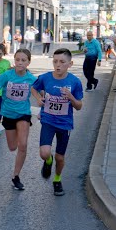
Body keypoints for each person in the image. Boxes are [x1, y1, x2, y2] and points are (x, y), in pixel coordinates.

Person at [31, 48, 83, 196]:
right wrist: (38, 98)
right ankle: (48, 161)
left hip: (64, 124)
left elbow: (79, 106)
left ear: (70, 64)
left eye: (62, 62)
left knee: (60, 157)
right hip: (48, 120)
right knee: (44, 153)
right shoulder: (45, 78)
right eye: (55, 61)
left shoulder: (74, 82)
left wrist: (71, 97)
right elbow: (34, 89)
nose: (58, 65)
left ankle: (57, 179)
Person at [0, 48, 36, 191]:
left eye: (23, 60)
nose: (20, 63)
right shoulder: (7, 75)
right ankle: (16, 174)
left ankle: (16, 176)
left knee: (23, 145)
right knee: (12, 147)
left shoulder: (31, 79)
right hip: (8, 114)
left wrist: (42, 101)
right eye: (17, 60)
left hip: (23, 114)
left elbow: (40, 92)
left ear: (28, 62)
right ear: (14, 61)